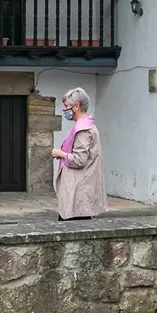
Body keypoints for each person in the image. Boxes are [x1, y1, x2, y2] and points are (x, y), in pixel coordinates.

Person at [50, 87, 107, 221]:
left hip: (78, 190)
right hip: (81, 188)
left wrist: (61, 154)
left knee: (73, 228)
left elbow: (79, 159)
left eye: (66, 106)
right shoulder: (87, 124)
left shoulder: (83, 129)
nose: (64, 110)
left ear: (76, 107)